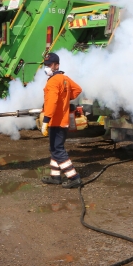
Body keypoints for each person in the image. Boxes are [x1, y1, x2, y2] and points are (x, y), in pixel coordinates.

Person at [39, 52, 83, 188]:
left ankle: (74, 177)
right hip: (62, 121)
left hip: (55, 121)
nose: (46, 67)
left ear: (56, 65)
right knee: (54, 148)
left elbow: (51, 103)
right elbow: (78, 89)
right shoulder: (65, 78)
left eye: (49, 65)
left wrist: (45, 121)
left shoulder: (53, 82)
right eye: (45, 65)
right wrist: (66, 99)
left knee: (57, 149)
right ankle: (55, 176)